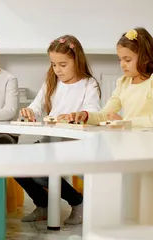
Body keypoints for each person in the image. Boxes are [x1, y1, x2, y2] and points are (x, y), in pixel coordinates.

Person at [16, 35, 101, 224]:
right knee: (15, 162)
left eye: (63, 64)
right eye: (54, 64)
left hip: (74, 145)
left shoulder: (89, 84)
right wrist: (29, 111)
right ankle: (43, 204)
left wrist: (78, 115)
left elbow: (94, 111)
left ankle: (78, 201)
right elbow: (36, 106)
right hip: (50, 141)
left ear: (76, 60)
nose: (57, 70)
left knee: (41, 171)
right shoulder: (52, 81)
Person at [68, 27, 153, 128]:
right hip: (129, 141)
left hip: (151, 142)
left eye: (127, 60)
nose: (122, 65)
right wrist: (86, 116)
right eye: (120, 59)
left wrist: (124, 121)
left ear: (145, 58)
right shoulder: (123, 82)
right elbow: (106, 114)